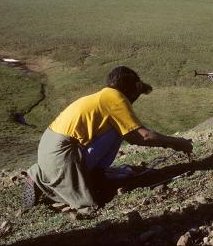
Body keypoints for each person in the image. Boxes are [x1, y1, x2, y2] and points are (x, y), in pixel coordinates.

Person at [23, 66, 193, 213]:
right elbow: (142, 137)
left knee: (118, 128)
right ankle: (86, 179)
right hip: (62, 154)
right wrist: (177, 142)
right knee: (120, 130)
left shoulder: (101, 96)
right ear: (130, 88)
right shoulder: (116, 98)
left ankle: (40, 177)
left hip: (47, 150)